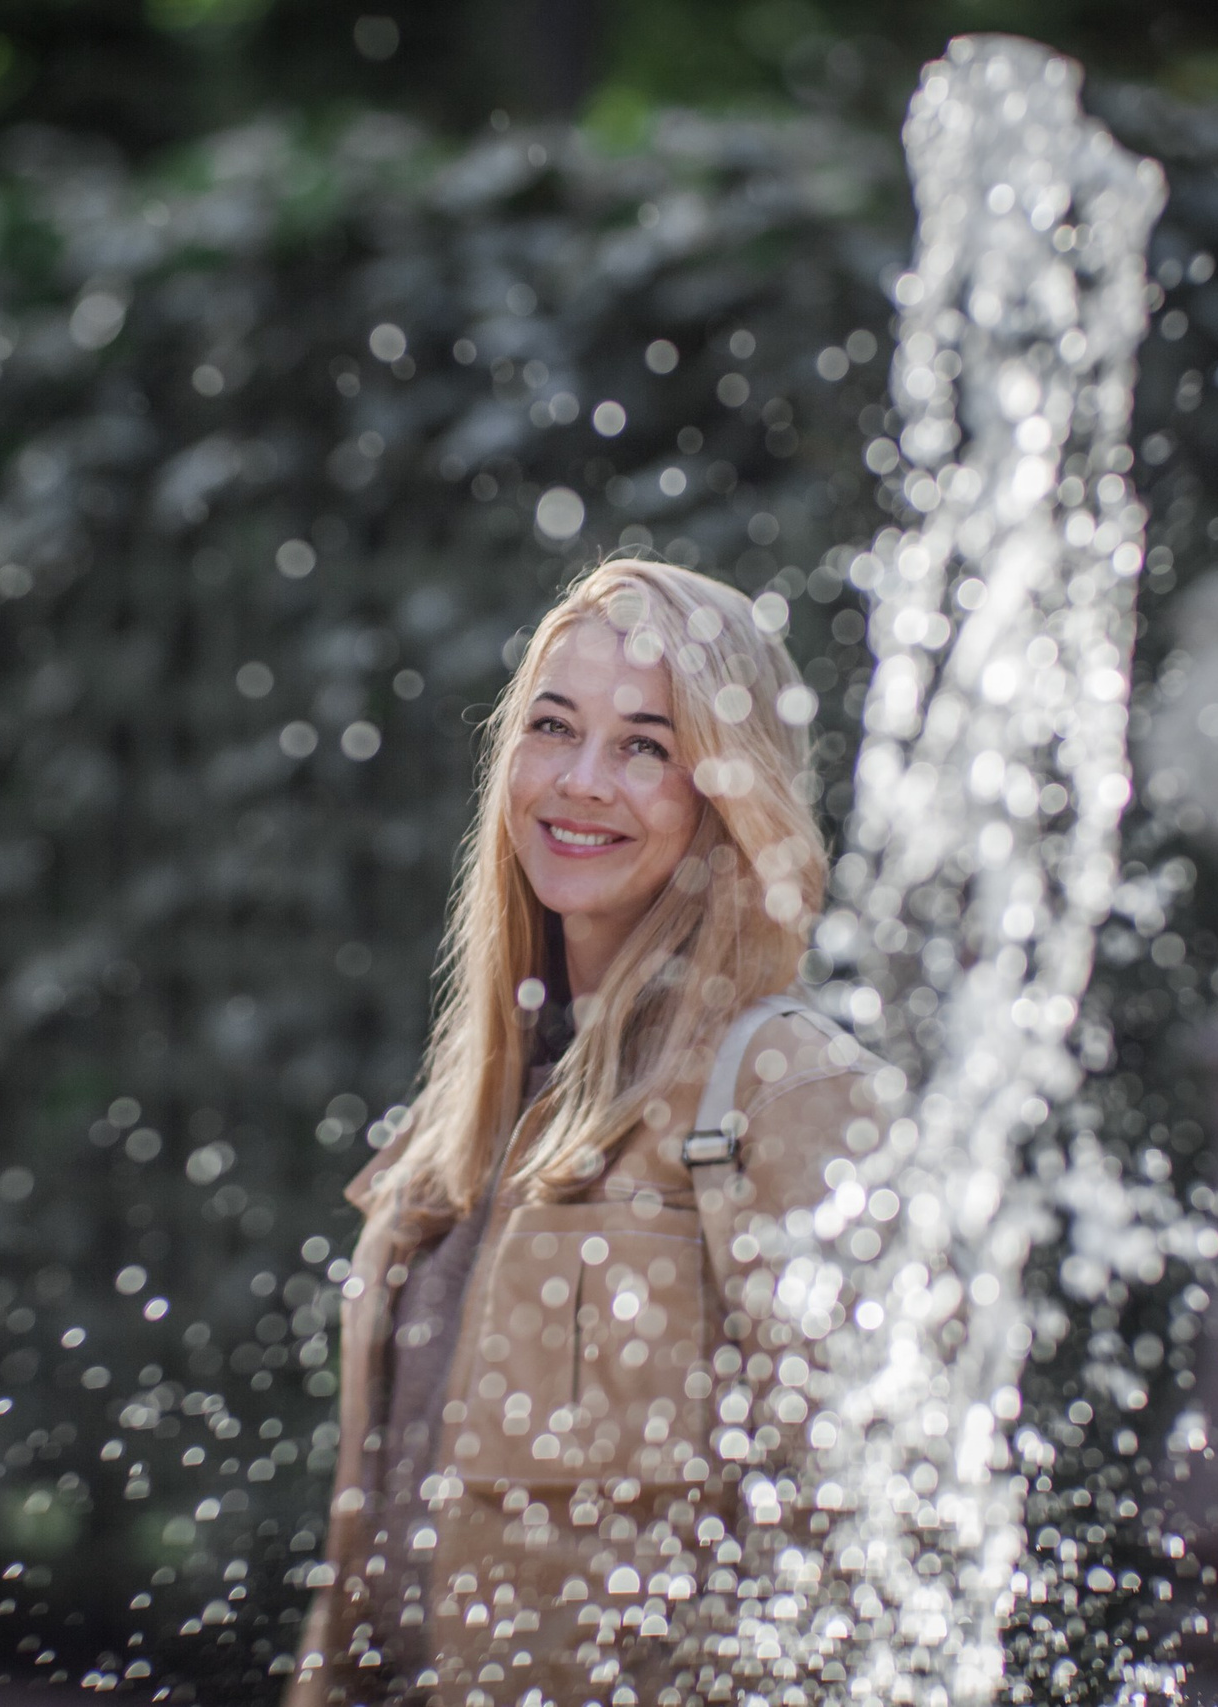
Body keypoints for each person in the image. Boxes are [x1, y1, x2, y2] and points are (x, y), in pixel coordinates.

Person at [288, 558, 884, 1707]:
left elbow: (859, 1548)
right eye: (552, 727)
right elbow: (362, 1559)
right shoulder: (472, 1112)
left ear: (727, 791)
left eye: (645, 746)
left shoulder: (787, 1096)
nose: (580, 781)